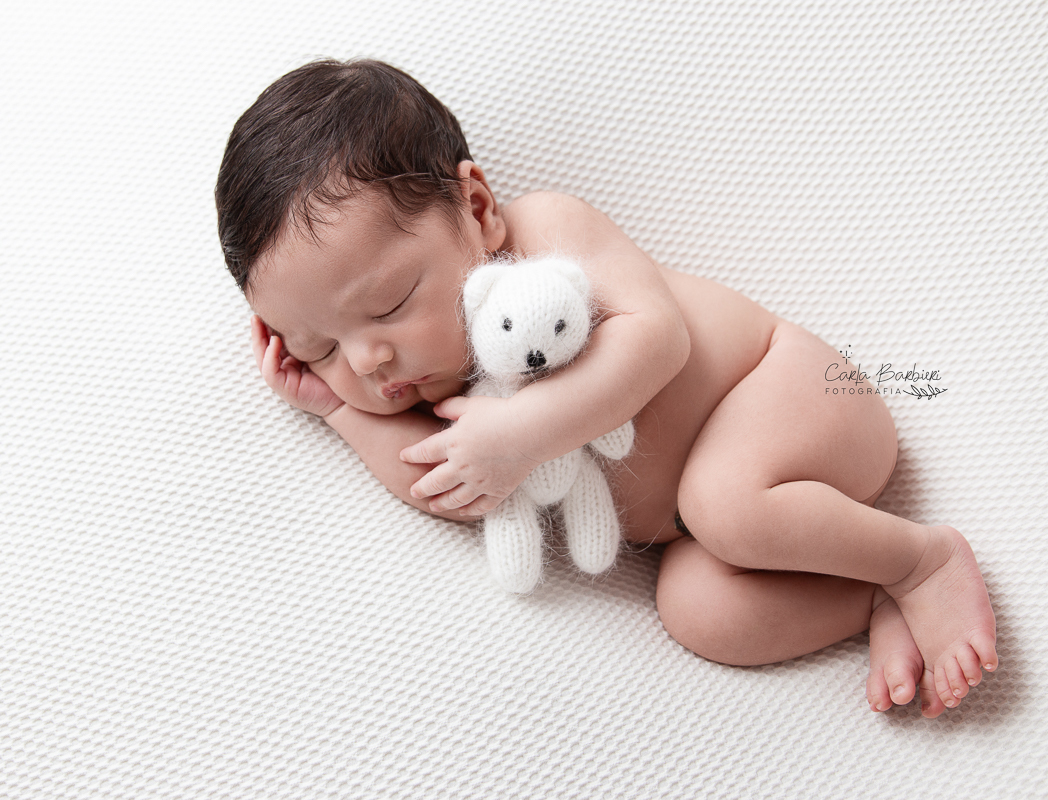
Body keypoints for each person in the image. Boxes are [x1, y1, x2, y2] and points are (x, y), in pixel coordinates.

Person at [215, 57, 997, 717]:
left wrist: (524, 435)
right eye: (323, 347)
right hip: (707, 533)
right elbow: (447, 481)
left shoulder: (545, 235)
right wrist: (337, 414)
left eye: (386, 306)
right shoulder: (417, 383)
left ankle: (921, 562)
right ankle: (872, 594)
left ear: (478, 208)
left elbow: (658, 341)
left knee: (725, 503)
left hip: (788, 389)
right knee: (699, 615)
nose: (370, 361)